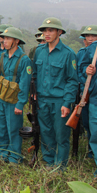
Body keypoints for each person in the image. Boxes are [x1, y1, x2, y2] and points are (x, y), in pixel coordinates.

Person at [33, 17, 78, 168]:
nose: (47, 33)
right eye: (45, 30)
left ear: (59, 32)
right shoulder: (39, 52)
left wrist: (67, 103)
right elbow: (34, 75)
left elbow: (72, 80)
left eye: (50, 30)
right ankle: (48, 162)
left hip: (59, 101)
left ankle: (60, 167)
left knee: (61, 136)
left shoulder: (68, 54)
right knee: (46, 133)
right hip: (42, 100)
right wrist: (33, 93)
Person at [0, 27, 31, 164]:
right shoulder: (2, 56)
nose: (5, 41)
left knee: (13, 129)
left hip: (14, 101)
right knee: (0, 127)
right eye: (4, 38)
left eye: (8, 38)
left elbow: (25, 84)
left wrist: (20, 104)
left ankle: (14, 157)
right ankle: (1, 155)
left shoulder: (24, 60)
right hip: (1, 98)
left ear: (16, 41)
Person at [78, 26, 97, 159]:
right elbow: (81, 67)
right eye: (88, 36)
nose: (90, 38)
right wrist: (87, 71)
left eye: (93, 35)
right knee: (91, 127)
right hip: (91, 94)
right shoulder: (91, 49)